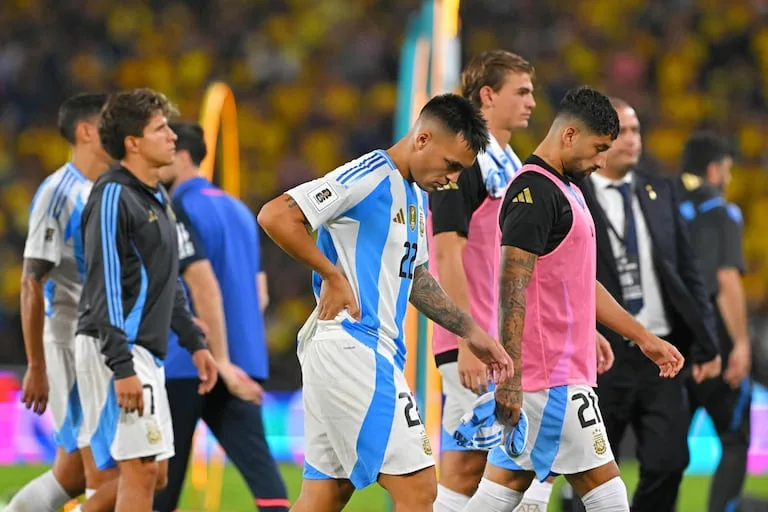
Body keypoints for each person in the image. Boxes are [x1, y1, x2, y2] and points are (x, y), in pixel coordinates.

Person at [258, 93, 514, 512]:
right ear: (423, 139)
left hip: (361, 352)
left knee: (325, 495)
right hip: (353, 347)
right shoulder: (369, 175)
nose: (452, 179)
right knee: (419, 488)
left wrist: (470, 332)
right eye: (451, 165)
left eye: (461, 171)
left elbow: (416, 278)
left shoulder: (414, 195)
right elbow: (276, 215)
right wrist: (331, 274)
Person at [464, 86, 685, 512]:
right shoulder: (534, 192)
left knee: (501, 491)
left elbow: (580, 283)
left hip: (556, 372)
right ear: (569, 135)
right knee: (609, 496)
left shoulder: (566, 189)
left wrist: (642, 337)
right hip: (549, 378)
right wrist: (510, 377)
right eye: (599, 148)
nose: (602, 161)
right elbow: (512, 286)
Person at [571, 99, 722, 512]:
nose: (632, 140)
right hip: (603, 353)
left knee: (670, 461)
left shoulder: (660, 191)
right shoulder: (573, 193)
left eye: (637, 130)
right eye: (622, 131)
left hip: (661, 351)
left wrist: (707, 342)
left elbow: (689, 272)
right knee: (590, 469)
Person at [74, 88, 218, 512]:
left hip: (144, 350)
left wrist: (194, 342)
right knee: (140, 472)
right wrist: (121, 366)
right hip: (117, 345)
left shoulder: (157, 196)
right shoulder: (113, 195)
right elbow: (103, 285)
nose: (173, 136)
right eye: (161, 129)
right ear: (133, 143)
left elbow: (166, 282)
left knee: (156, 474)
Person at [426, 50, 552, 512]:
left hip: (506, 342)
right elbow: (445, 251)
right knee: (468, 466)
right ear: (488, 95)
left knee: (513, 467)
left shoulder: (512, 167)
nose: (531, 102)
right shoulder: (463, 162)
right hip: (473, 343)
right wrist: (467, 338)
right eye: (522, 92)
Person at [153, 122, 290, 512]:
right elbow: (260, 293)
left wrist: (215, 353)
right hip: (244, 361)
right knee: (265, 480)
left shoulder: (173, 209)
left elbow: (198, 283)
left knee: (162, 482)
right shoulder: (240, 210)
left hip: (187, 360)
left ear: (182, 156)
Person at [7, 93, 113, 512]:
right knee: (102, 473)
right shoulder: (59, 192)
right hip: (71, 344)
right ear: (86, 131)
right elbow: (31, 281)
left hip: (102, 343)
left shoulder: (107, 187)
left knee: (74, 473)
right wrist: (36, 365)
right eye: (108, 123)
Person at [678, 131, 752, 512]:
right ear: (713, 170)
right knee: (735, 438)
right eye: (727, 169)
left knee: (668, 446)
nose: (729, 177)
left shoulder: (664, 206)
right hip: (715, 342)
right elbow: (725, 280)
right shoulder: (723, 212)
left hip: (672, 342)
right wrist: (741, 343)